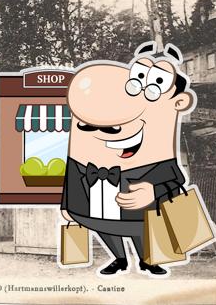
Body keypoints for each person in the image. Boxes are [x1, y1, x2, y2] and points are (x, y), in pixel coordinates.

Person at [61, 42, 195, 276]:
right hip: (98, 205)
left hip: (139, 209)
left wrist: (154, 192)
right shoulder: (83, 156)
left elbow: (174, 180)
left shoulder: (158, 159)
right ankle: (119, 258)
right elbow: (72, 176)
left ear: (179, 102)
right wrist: (66, 205)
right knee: (104, 226)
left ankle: (148, 260)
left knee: (139, 227)